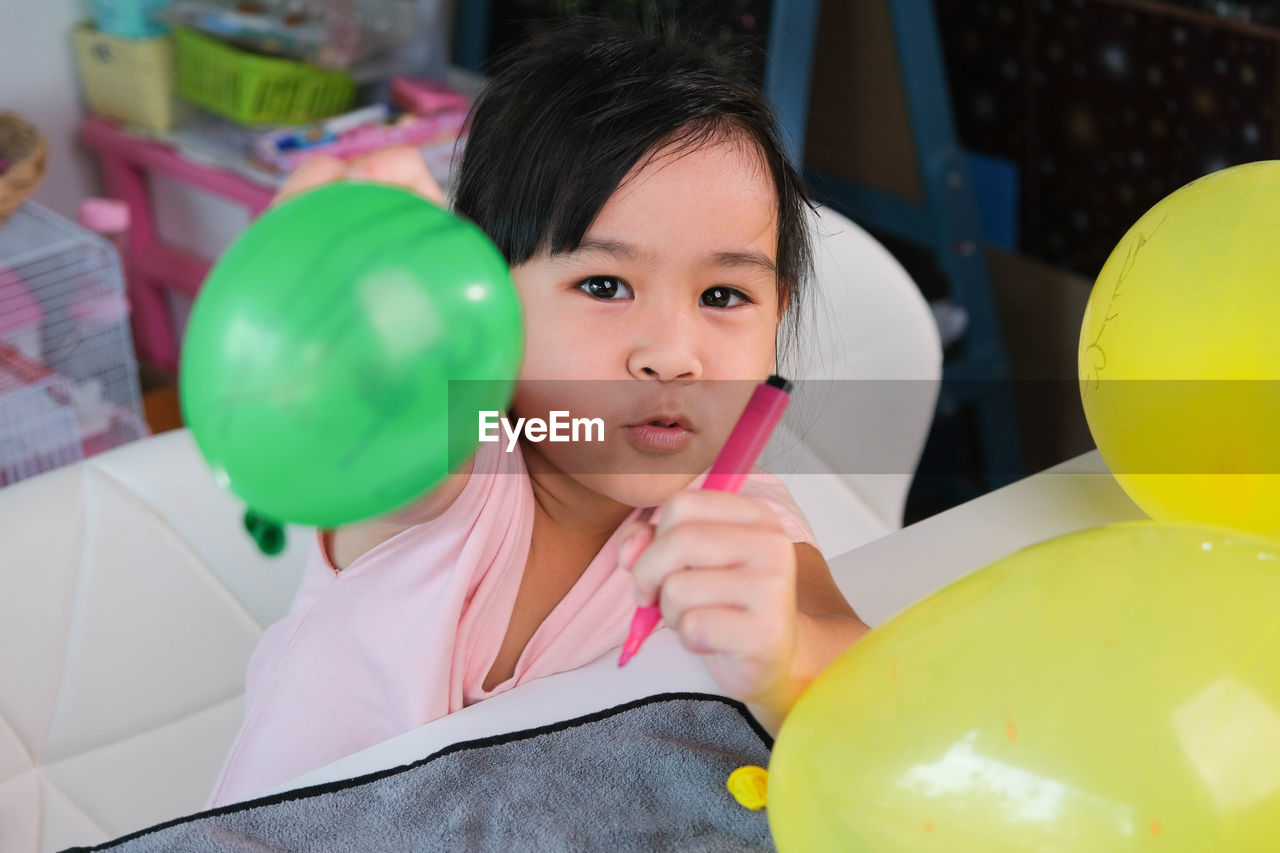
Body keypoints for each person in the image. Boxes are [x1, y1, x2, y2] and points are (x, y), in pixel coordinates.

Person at [207, 16, 868, 809]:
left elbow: (859, 668)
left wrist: (787, 653)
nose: (671, 353)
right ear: (486, 296)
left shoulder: (737, 514)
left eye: (724, 296)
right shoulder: (463, 467)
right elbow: (374, 408)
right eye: (604, 286)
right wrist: (353, 294)